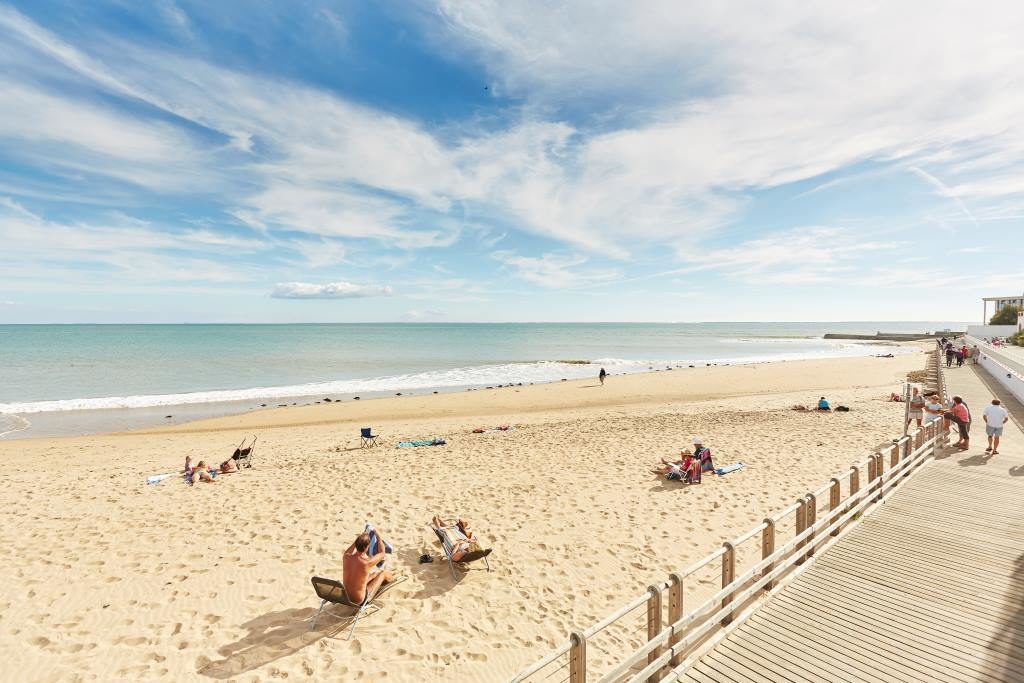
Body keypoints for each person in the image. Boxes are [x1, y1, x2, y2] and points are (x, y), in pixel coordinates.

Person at [342, 529, 395, 605]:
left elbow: (350, 550)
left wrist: (359, 539)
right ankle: (392, 579)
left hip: (345, 597)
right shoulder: (366, 562)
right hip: (358, 601)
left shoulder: (346, 557)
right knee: (383, 573)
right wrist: (379, 537)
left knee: (373, 574)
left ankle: (378, 576)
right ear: (365, 547)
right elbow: (382, 553)